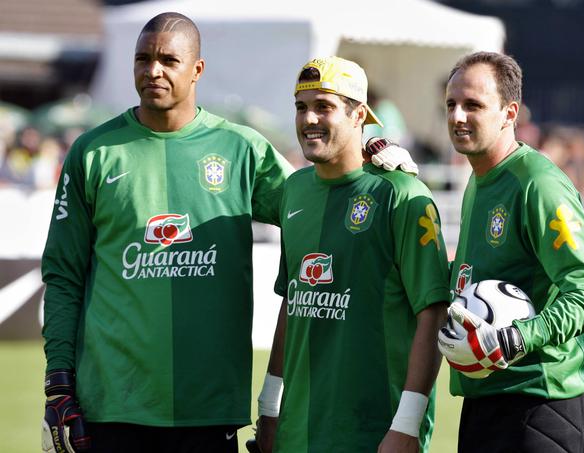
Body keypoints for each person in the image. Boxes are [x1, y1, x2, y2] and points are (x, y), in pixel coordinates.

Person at [40, 13, 419, 453]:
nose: (153, 71)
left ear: (197, 69)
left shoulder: (242, 149)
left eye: (168, 59)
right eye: (142, 59)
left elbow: (318, 204)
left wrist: (367, 158)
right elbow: (63, 276)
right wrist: (58, 383)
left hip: (210, 409)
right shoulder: (92, 152)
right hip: (111, 406)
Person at [253, 56, 449, 453]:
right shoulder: (295, 190)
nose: (309, 119)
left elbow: (433, 312)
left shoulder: (401, 195)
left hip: (374, 432)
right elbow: (292, 303)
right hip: (296, 431)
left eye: (324, 107)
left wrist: (407, 425)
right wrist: (269, 408)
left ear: (359, 114)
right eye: (301, 107)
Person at [436, 51, 584, 453]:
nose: (458, 116)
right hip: (487, 394)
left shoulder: (538, 184)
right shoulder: (479, 179)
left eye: (474, 105)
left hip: (543, 398)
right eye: (451, 104)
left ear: (508, 113)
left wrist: (518, 336)